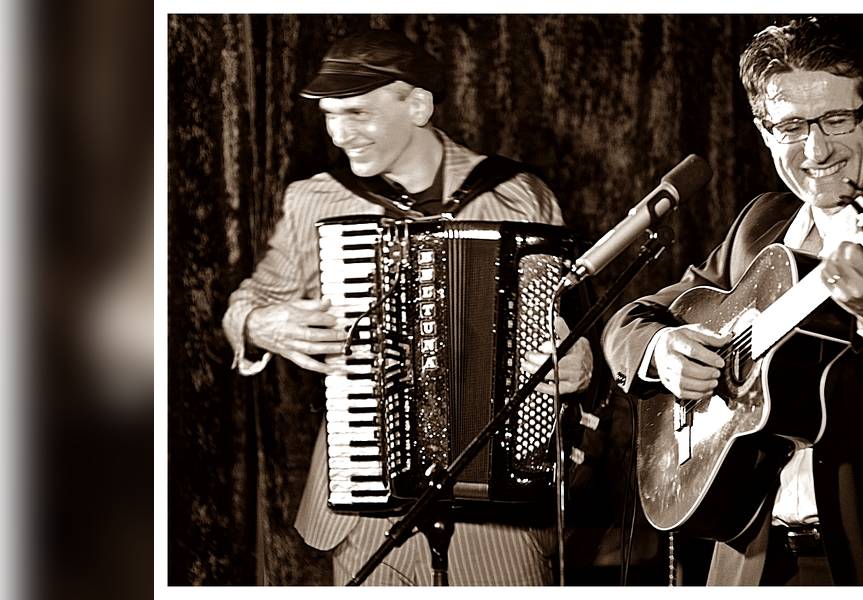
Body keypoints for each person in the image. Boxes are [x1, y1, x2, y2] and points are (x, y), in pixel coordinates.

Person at [602, 17, 863, 585]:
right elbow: (630, 321)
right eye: (792, 126)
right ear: (764, 131)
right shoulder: (759, 226)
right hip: (748, 562)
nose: (816, 149)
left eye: (837, 119)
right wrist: (661, 349)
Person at [220, 29, 593, 586]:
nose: (340, 134)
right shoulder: (314, 199)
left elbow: (574, 322)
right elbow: (248, 304)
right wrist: (260, 324)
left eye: (359, 113)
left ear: (417, 105)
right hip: (367, 501)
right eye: (330, 116)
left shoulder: (516, 195)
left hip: (497, 511)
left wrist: (581, 363)